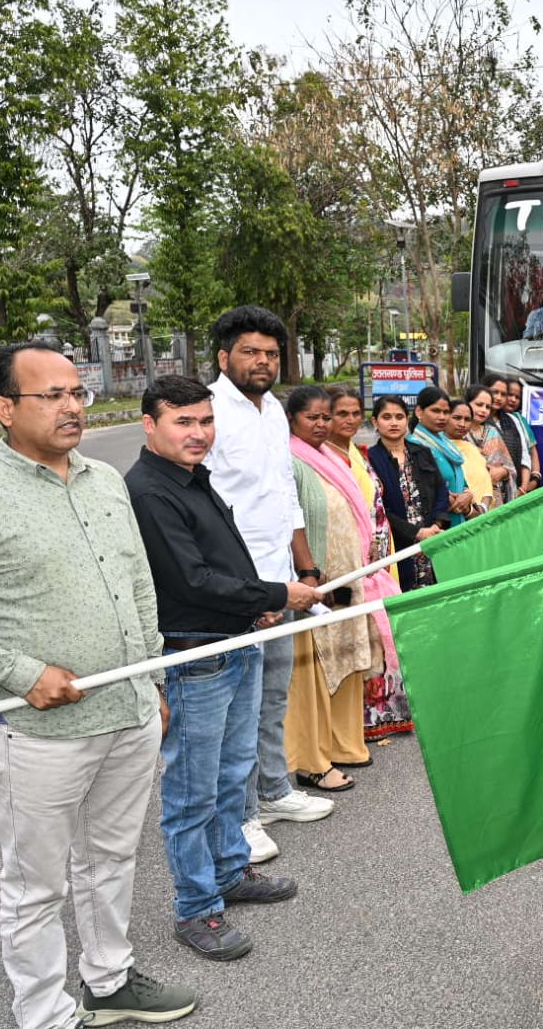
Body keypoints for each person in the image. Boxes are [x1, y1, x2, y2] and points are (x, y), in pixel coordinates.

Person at [0, 343, 197, 1029]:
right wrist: (22, 675)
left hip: (127, 712)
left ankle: (109, 981)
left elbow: (138, 589)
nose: (71, 407)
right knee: (35, 885)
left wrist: (150, 680)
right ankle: (43, 1012)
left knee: (113, 859)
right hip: (41, 734)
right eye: (51, 395)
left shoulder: (104, 482)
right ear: (5, 408)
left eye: (77, 393)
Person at [126, 376, 318, 962]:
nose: (199, 433)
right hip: (195, 655)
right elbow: (191, 580)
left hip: (235, 639)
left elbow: (220, 563)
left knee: (234, 774)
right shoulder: (149, 490)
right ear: (149, 425)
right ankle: (196, 907)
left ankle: (231, 873)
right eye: (183, 422)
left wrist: (256, 606)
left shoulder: (194, 477)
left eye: (205, 422)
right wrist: (275, 594)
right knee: (192, 791)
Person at [205, 306, 334, 863]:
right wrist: (247, 588)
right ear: (223, 357)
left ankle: (274, 790)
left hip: (281, 580)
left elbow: (285, 496)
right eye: (250, 352)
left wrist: (304, 569)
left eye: (271, 354)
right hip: (236, 587)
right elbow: (206, 509)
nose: (262, 362)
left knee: (273, 693)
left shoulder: (274, 412)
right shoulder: (206, 412)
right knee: (238, 704)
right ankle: (241, 816)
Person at [284, 386, 402, 789]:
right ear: (292, 420)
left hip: (349, 573)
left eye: (324, 417)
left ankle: (343, 743)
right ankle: (311, 759)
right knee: (314, 670)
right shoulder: (290, 458)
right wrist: (307, 571)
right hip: (315, 579)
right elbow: (291, 520)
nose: (322, 424)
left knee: (349, 656)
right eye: (314, 418)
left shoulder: (332, 456)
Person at [366, 395, 446, 592]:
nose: (394, 423)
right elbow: (380, 508)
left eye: (399, 417)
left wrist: (436, 525)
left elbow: (441, 491)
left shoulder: (422, 452)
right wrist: (416, 533)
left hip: (431, 541)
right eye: (386, 417)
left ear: (407, 419)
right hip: (398, 546)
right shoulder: (369, 458)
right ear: (375, 422)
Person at [408, 386, 474, 527]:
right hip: (434, 524)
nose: (442, 417)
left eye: (446, 412)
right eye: (436, 411)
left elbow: (461, 482)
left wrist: (468, 495)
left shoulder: (447, 444)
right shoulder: (414, 446)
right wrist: (447, 498)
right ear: (419, 411)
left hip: (459, 516)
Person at [464, 383, 515, 507]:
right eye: (479, 405)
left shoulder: (492, 432)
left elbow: (511, 468)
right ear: (467, 404)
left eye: (487, 407)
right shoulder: (459, 433)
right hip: (468, 498)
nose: (483, 410)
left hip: (495, 499)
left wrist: (503, 472)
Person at [485, 372, 534, 493]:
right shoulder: (477, 420)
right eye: (495, 392)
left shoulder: (513, 421)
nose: (498, 397)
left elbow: (524, 457)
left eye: (503, 394)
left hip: (512, 489)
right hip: (485, 488)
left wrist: (522, 488)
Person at [445, 399, 496, 514]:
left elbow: (486, 483)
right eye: (457, 418)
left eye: (467, 419)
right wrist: (470, 511)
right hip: (454, 512)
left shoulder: (472, 449)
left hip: (482, 516)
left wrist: (482, 508)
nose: (462, 424)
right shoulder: (436, 448)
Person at [503, 377, 543, 492]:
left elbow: (532, 451)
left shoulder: (520, 420)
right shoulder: (490, 420)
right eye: (510, 395)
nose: (513, 400)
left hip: (522, 486)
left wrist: (534, 480)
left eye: (517, 397)